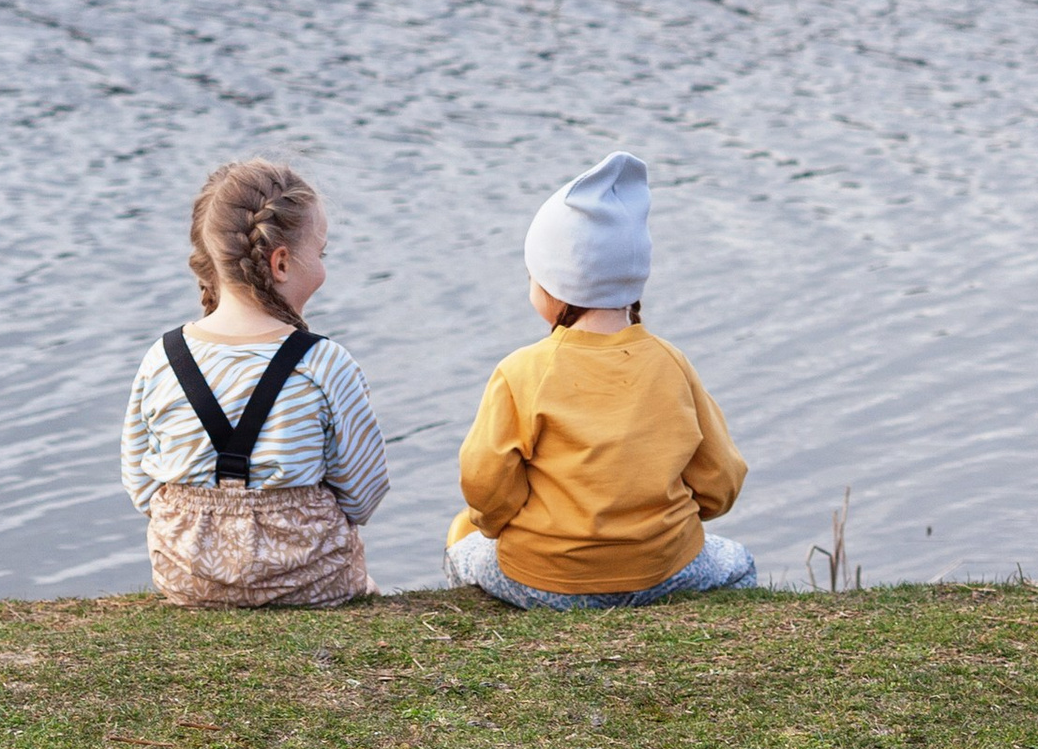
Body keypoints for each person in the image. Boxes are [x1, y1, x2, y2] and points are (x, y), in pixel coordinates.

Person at [446, 151, 756, 607]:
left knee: (461, 542)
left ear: (553, 287)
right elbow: (721, 479)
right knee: (739, 561)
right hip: (663, 570)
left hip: (547, 579)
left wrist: (493, 524)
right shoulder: (671, 362)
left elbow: (486, 483)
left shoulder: (521, 371)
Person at [120, 157, 390, 607]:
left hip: (189, 578)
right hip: (307, 581)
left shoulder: (164, 358)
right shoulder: (325, 363)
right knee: (367, 584)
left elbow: (140, 483)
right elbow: (363, 493)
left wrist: (209, 526)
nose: (323, 269)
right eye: (320, 255)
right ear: (281, 263)